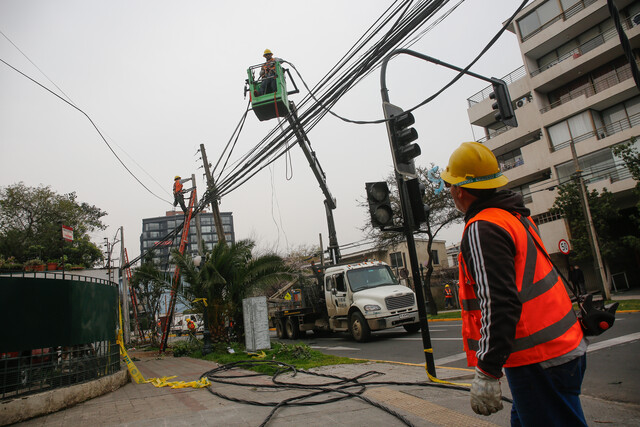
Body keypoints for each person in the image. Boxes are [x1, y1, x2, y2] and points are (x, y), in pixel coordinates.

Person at [441, 141, 587, 426]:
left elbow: (499, 302)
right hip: (563, 346)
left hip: (538, 357)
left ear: (459, 190)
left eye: (451, 186)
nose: (450, 192)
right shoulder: (514, 217)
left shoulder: (483, 227)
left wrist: (488, 369)